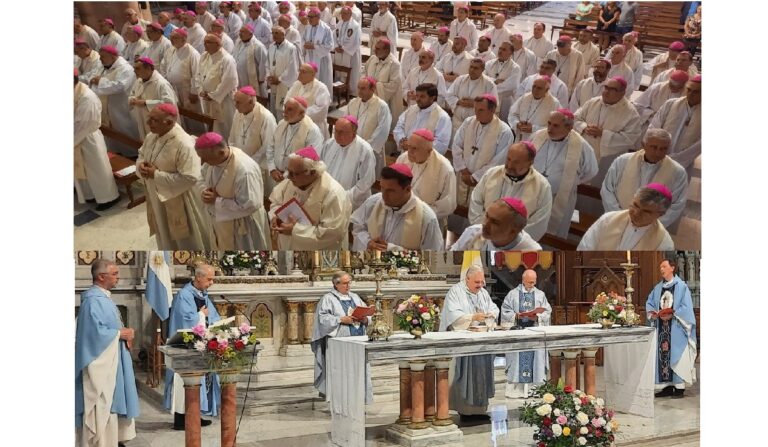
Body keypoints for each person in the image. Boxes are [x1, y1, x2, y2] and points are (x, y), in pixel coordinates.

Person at [75, 259, 140, 447]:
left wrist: (122, 332)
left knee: (115, 397)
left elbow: (107, 327)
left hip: (113, 359)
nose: (118, 277)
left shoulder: (103, 297)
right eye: (115, 274)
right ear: (101, 276)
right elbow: (92, 333)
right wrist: (120, 333)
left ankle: (114, 439)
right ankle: (102, 440)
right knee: (106, 398)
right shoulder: (93, 301)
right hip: (103, 361)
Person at [136, 104, 212, 249]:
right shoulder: (152, 136)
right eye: (149, 118)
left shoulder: (184, 144)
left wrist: (155, 174)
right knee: (164, 231)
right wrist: (141, 166)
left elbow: (190, 178)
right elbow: (141, 154)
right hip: (156, 194)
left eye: (154, 120)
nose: (148, 123)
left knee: (187, 241)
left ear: (169, 122)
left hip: (181, 199)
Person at [163, 263, 221, 429]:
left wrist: (217, 327)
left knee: (199, 380)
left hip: (200, 345)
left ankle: (194, 415)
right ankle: (181, 420)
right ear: (198, 277)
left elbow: (213, 316)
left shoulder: (203, 294)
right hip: (184, 347)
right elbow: (186, 321)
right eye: (209, 279)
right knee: (184, 382)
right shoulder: (184, 296)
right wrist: (201, 316)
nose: (211, 283)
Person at [439, 266, 499, 420]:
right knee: (465, 375)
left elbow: (492, 307)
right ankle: (465, 410)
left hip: (482, 341)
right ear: (467, 279)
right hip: (464, 343)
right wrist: (472, 317)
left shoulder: (483, 293)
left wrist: (492, 313)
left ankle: (480, 410)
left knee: (481, 374)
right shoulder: (455, 292)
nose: (480, 285)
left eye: (481, 282)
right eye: (476, 282)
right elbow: (453, 315)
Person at [195, 132, 270, 249]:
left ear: (221, 152)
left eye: (205, 158)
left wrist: (217, 200)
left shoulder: (244, 170)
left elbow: (250, 205)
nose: (203, 162)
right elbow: (201, 175)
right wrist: (204, 191)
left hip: (242, 226)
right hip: (221, 222)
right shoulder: (214, 160)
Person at [531, 109, 598, 238]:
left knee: (552, 235)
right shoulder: (538, 136)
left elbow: (591, 171)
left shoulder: (581, 146)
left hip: (560, 198)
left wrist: (571, 182)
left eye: (555, 125)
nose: (550, 129)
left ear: (569, 127)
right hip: (533, 194)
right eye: (549, 123)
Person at [601, 128, 688, 227]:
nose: (658, 153)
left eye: (663, 149)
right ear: (643, 145)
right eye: (654, 147)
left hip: (649, 227)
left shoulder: (677, 172)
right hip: (617, 220)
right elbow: (607, 189)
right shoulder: (623, 161)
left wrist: (649, 225)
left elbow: (677, 205)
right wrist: (619, 217)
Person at [268, 146, 351, 249]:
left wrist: (295, 230)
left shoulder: (333, 194)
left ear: (312, 172)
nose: (288, 177)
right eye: (288, 171)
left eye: (294, 173)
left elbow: (331, 234)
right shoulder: (291, 181)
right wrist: (275, 217)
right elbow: (276, 201)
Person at [469, 141, 552, 241]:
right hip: (482, 236)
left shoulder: (542, 186)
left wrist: (508, 240)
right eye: (508, 159)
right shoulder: (492, 173)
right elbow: (476, 201)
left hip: (514, 246)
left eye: (516, 162)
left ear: (530, 162)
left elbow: (538, 223)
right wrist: (484, 229)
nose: (510, 165)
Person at [351, 163, 444, 251]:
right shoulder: (373, 202)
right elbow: (358, 228)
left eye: (390, 191)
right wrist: (367, 243)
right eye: (382, 188)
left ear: (407, 189)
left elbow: (432, 255)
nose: (384, 195)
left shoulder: (426, 217)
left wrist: (393, 250)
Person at [311, 271, 373, 401]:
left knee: (358, 370)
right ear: (336, 284)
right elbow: (322, 320)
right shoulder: (328, 299)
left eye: (349, 282)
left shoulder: (355, 297)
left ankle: (358, 397)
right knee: (341, 371)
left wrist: (365, 319)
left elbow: (367, 314)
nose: (348, 286)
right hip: (339, 340)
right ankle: (340, 399)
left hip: (359, 339)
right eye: (345, 283)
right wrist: (340, 319)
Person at [573, 76, 642, 186]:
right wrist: (584, 127)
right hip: (583, 151)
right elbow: (576, 117)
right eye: (606, 87)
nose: (606, 92)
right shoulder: (593, 102)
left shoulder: (630, 113)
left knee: (598, 185)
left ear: (622, 93)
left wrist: (603, 134)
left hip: (607, 158)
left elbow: (631, 138)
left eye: (612, 89)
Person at [646, 259, 697, 399]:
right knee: (663, 356)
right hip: (662, 327)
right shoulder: (658, 288)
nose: (661, 269)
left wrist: (673, 314)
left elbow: (686, 307)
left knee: (677, 356)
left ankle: (679, 387)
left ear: (672, 268)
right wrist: (654, 314)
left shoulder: (681, 286)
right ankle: (666, 387)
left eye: (664, 266)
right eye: (660, 267)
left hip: (676, 327)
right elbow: (649, 303)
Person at [74, 69, 120, 211]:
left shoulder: (87, 97)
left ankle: (108, 197)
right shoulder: (75, 91)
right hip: (78, 136)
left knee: (97, 170)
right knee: (86, 171)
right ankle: (90, 195)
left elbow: (86, 123)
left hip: (88, 137)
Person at [501, 269, 552, 398]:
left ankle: (535, 390)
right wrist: (516, 316)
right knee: (518, 360)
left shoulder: (540, 294)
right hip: (518, 333)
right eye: (530, 282)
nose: (532, 285)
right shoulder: (512, 294)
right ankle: (516, 391)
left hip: (535, 333)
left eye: (534, 282)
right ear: (523, 280)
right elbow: (505, 311)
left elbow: (547, 312)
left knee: (536, 362)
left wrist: (538, 317)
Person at [577, 183, 674, 250]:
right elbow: (585, 247)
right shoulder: (608, 219)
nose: (636, 213)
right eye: (635, 205)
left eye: (646, 211)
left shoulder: (663, 243)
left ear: (660, 214)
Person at [395, 128, 457, 222]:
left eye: (415, 148)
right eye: (409, 146)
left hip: (427, 220)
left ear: (429, 151)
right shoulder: (403, 158)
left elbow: (448, 204)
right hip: (400, 215)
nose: (409, 152)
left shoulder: (445, 169)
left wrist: (418, 214)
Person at [89, 45, 139, 156]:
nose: (100, 59)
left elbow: (121, 86)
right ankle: (116, 154)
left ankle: (131, 155)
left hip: (121, 106)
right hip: (107, 106)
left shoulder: (126, 68)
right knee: (111, 132)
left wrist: (101, 82)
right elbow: (94, 79)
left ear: (112, 56)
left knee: (124, 130)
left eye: (103, 56)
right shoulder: (104, 65)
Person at [318, 116, 377, 211]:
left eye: (342, 132)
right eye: (336, 131)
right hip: (327, 198)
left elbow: (365, 182)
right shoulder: (329, 144)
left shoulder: (364, 150)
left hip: (351, 203)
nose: (337, 135)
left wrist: (342, 197)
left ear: (353, 134)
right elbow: (320, 168)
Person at [340, 77, 392, 177]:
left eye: (363, 88)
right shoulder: (353, 102)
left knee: (369, 176)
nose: (359, 91)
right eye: (358, 88)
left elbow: (382, 130)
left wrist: (365, 147)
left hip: (371, 149)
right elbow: (344, 122)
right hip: (351, 146)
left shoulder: (381, 106)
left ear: (372, 89)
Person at [229, 86, 278, 191]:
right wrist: (234, 156)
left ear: (250, 102)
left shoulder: (266, 117)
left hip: (259, 164)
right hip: (239, 162)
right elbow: (232, 137)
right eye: (235, 101)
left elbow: (267, 145)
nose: (235, 105)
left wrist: (249, 162)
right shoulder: (238, 112)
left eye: (238, 102)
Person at [648, 75, 701, 171]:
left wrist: (678, 158)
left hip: (684, 161)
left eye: (696, 92)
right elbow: (655, 125)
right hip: (657, 154)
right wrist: (656, 149)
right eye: (689, 90)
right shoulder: (671, 104)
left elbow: (699, 144)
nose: (690, 94)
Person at [450, 197, 542, 250]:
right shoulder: (473, 232)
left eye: (495, 222)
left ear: (514, 230)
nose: (485, 224)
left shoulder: (532, 252)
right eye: (487, 216)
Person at [194, 33, 238, 139]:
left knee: (224, 127)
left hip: (223, 100)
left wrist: (213, 95)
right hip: (207, 98)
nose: (205, 45)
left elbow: (229, 81)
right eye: (204, 42)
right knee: (211, 124)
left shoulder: (227, 59)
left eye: (208, 42)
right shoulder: (204, 56)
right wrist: (200, 90)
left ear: (218, 44)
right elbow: (198, 74)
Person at [162, 28, 204, 133]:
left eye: (175, 38)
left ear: (184, 39)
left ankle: (198, 134)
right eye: (171, 38)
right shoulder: (171, 50)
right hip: (173, 88)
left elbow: (197, 73)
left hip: (187, 90)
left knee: (192, 115)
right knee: (179, 114)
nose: (172, 40)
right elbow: (163, 65)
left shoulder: (192, 53)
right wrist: (167, 80)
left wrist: (194, 92)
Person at [393, 83, 452, 155]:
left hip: (426, 159)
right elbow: (399, 127)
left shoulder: (442, 117)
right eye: (417, 96)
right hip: (405, 155)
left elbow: (441, 144)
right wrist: (402, 140)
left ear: (432, 98)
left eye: (422, 96)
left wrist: (414, 147)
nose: (417, 99)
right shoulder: (411, 110)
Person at [128, 57, 178, 140]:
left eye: (137, 68)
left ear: (148, 68)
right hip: (143, 118)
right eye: (134, 68)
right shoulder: (139, 81)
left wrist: (145, 103)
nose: (134, 71)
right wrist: (132, 99)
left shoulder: (161, 84)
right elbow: (132, 93)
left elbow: (169, 103)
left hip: (159, 123)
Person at [446, 58, 498, 131]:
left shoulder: (489, 84)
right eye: (471, 67)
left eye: (476, 68)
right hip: (457, 123)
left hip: (476, 125)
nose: (472, 70)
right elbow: (449, 95)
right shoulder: (460, 79)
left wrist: (474, 104)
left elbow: (493, 105)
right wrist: (459, 102)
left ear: (482, 70)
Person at [363, 39, 404, 128]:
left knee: (381, 125)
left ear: (386, 50)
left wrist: (375, 86)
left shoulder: (394, 64)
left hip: (385, 101)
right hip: (368, 96)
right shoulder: (372, 58)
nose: (374, 50)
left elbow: (393, 85)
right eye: (375, 48)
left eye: (378, 49)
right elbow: (364, 72)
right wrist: (365, 83)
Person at [508, 75, 561, 142]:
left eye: (539, 88)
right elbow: (513, 114)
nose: (535, 90)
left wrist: (534, 129)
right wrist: (517, 124)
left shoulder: (554, 104)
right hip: (521, 138)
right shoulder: (525, 97)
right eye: (534, 86)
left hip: (540, 141)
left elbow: (556, 126)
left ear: (546, 90)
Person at [286, 63, 332, 137]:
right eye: (299, 71)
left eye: (303, 72)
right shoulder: (296, 84)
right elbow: (287, 101)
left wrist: (298, 114)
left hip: (313, 126)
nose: (300, 74)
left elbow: (321, 110)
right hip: (294, 124)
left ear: (313, 74)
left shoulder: (321, 88)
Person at [266, 25, 301, 120]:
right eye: (272, 33)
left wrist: (280, 79)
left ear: (283, 35)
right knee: (273, 107)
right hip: (274, 83)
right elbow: (267, 63)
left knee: (282, 109)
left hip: (284, 84)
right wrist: (269, 76)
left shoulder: (291, 48)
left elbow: (292, 67)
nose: (274, 35)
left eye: (276, 33)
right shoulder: (271, 46)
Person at [302, 8, 334, 95]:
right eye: (308, 17)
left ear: (318, 17)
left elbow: (330, 45)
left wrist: (314, 46)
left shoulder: (326, 29)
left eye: (311, 17)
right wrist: (304, 45)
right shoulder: (307, 28)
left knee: (322, 80)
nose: (309, 19)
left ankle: (323, 102)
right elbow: (303, 40)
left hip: (322, 59)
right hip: (309, 58)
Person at [485, 41, 521, 120]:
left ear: (510, 53)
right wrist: (495, 81)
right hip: (488, 100)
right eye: (500, 48)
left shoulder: (515, 68)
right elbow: (483, 79)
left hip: (505, 101)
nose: (500, 51)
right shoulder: (489, 63)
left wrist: (490, 86)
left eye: (504, 49)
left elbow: (510, 86)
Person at [333, 6, 362, 95]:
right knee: (340, 70)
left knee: (352, 72)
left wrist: (344, 48)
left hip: (350, 53)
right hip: (340, 51)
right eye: (342, 13)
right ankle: (340, 89)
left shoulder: (355, 26)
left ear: (350, 14)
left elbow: (356, 41)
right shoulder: (339, 24)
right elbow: (334, 36)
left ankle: (351, 91)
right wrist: (336, 46)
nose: (343, 15)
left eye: (345, 13)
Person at [233, 24, 268, 96]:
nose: (240, 34)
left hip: (252, 80)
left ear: (250, 34)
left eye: (243, 32)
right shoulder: (238, 42)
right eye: (240, 31)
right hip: (238, 77)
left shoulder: (258, 46)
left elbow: (264, 63)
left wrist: (261, 79)